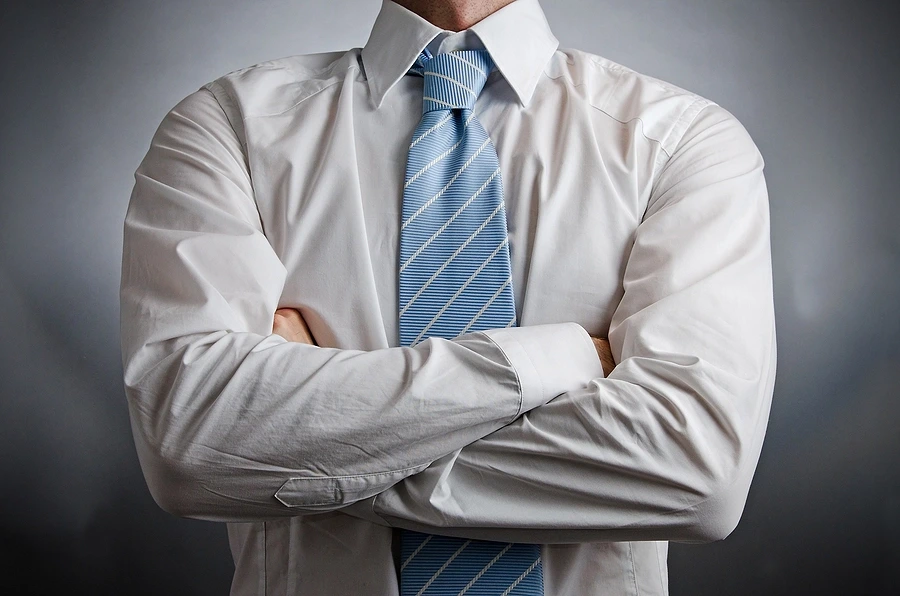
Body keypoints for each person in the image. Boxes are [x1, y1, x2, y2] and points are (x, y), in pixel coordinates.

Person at [119, 0, 776, 593]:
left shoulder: (684, 142)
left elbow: (697, 476)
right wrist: (563, 360)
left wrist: (302, 451)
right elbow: (189, 446)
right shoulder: (226, 128)